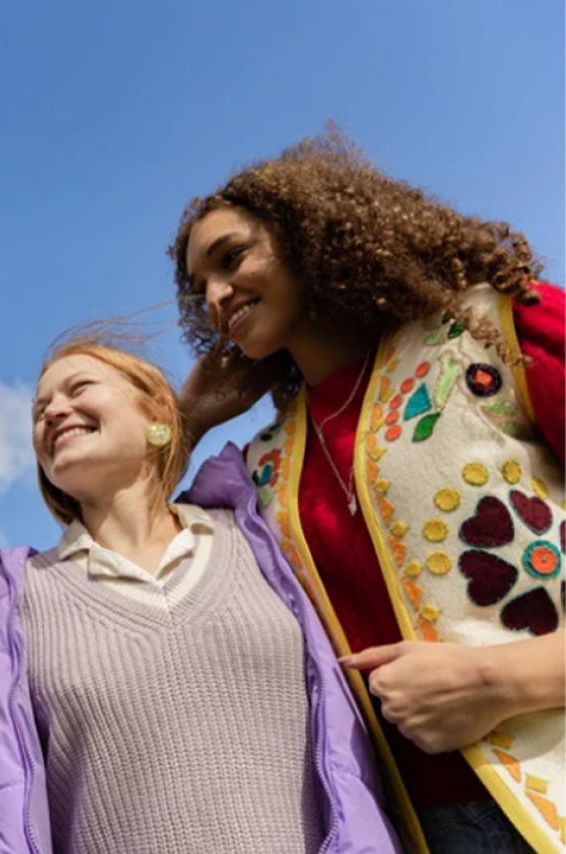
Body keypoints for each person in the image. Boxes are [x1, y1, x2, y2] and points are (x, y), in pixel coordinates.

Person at [172, 128, 565, 853]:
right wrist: (188, 421)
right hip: (407, 829)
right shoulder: (258, 471)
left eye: (231, 259)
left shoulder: (489, 330)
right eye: (201, 289)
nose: (218, 295)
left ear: (309, 234)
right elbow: (126, 549)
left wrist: (501, 679)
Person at [0, 336, 400, 853]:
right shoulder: (14, 597)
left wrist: (189, 412)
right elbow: (6, 798)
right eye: (40, 411)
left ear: (156, 413)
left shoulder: (259, 527)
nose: (54, 411)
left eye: (78, 388)